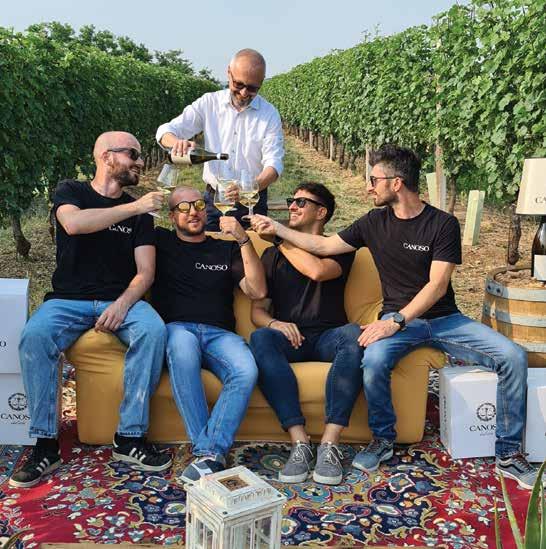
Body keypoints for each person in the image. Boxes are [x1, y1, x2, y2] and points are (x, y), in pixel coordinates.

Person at [251, 144, 543, 490]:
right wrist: (276, 229)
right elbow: (323, 247)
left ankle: (508, 453)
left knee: (512, 356)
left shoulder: (443, 224)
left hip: (444, 320)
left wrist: (396, 321)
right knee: (374, 360)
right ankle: (383, 439)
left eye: (374, 180)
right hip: (399, 320)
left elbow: (437, 286)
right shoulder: (373, 222)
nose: (368, 188)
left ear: (397, 183)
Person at [10, 132, 172, 489]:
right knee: (35, 336)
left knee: (153, 330)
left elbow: (145, 272)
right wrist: (134, 208)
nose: (140, 162)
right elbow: (74, 224)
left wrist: (122, 304)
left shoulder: (141, 216)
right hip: (67, 299)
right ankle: (45, 444)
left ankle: (129, 437)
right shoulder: (72, 191)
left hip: (120, 299)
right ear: (106, 156)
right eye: (133, 154)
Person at [249, 182, 363, 485]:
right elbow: (257, 311)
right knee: (260, 338)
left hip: (328, 337)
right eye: (292, 200)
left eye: (301, 202)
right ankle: (299, 442)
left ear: (321, 212)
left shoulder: (339, 247)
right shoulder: (271, 256)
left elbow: (317, 271)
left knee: (354, 335)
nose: (292, 206)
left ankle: (329, 444)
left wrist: (280, 238)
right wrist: (274, 324)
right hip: (291, 339)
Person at [152, 186, 266, 483]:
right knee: (182, 351)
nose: (193, 211)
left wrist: (243, 238)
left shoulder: (225, 248)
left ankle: (207, 453)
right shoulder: (160, 241)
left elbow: (257, 291)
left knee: (246, 370)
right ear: (171, 216)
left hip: (220, 334)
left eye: (199, 205)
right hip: (179, 328)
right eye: (183, 207)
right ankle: (210, 452)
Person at [156, 48, 284, 231]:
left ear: (262, 82)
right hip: (214, 201)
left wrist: (249, 188)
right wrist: (176, 143)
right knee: (210, 247)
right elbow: (165, 131)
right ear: (228, 73)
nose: (244, 93)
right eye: (238, 84)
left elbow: (274, 163)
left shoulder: (269, 114)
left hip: (251, 203)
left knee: (252, 248)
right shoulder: (209, 103)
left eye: (252, 88)